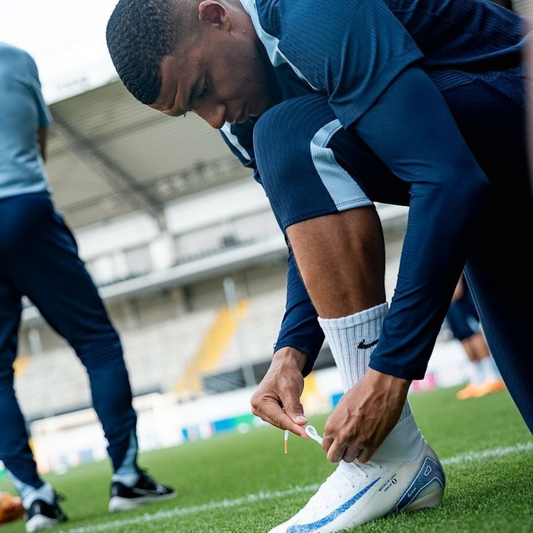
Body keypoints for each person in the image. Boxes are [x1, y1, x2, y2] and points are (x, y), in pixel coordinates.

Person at [106, 1, 533, 531]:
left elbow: (448, 179)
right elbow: (312, 220)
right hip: (497, 198)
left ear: (217, 17)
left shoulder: (309, 10)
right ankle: (390, 461)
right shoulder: (238, 112)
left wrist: (389, 373)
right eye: (189, 111)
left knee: (286, 131)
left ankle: (388, 462)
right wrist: (292, 351)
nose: (212, 117)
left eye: (200, 90)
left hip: (512, 106)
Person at [0, 42, 175, 533]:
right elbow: (38, 140)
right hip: (24, 206)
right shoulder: (16, 59)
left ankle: (35, 497)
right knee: (97, 342)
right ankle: (126, 476)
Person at [445, 276, 505, 400]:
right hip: (446, 296)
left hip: (457, 289)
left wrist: (457, 282)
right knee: (462, 336)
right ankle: (478, 379)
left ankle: (492, 377)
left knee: (473, 332)